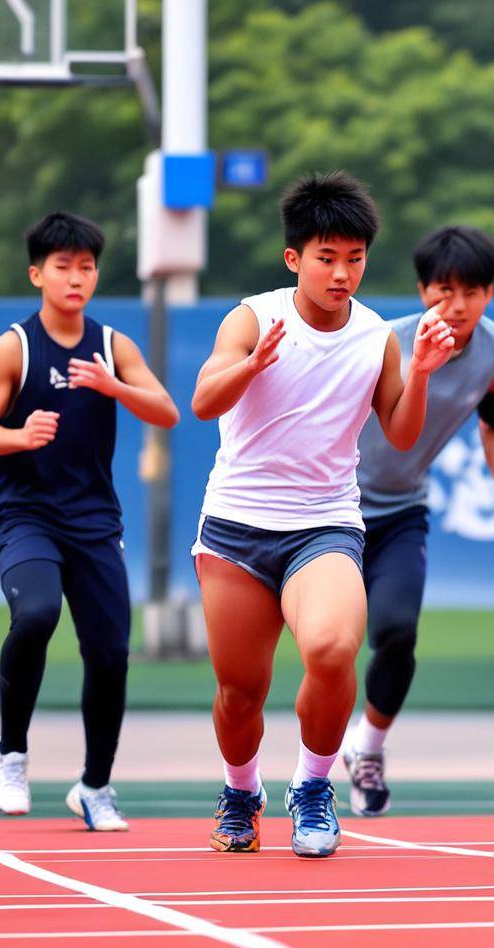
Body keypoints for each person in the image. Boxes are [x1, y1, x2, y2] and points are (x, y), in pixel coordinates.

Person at [190, 172, 454, 857]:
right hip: (237, 529)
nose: (342, 273)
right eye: (326, 257)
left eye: (355, 258)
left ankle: (311, 788)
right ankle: (240, 792)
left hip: (325, 524)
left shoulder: (376, 338)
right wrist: (251, 366)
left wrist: (421, 370)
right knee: (240, 692)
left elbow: (400, 433)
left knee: (334, 650)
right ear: (294, 259)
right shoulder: (251, 317)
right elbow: (204, 400)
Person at [0, 211, 179, 830]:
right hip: (28, 516)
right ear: (38, 274)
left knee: (111, 653)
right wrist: (19, 435)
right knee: (35, 614)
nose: (76, 278)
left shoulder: (114, 347)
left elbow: (166, 412)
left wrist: (116, 388)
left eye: (86, 267)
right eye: (63, 267)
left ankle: (95, 786)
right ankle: (10, 753)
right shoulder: (15, 346)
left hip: (94, 522)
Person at [340, 225, 494, 816]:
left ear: (489, 293)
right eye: (444, 290)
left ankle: (369, 749)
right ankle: (294, 777)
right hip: (330, 512)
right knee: (328, 646)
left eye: (473, 291)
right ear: (421, 289)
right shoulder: (383, 342)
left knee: (397, 633)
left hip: (403, 510)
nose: (457, 306)